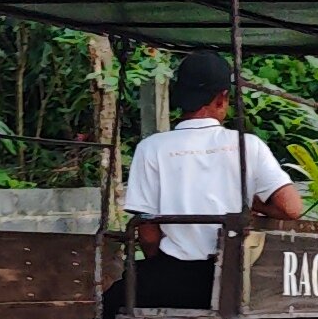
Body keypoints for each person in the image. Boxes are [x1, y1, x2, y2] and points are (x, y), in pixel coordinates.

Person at [119, 49, 302, 305]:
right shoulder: (247, 145)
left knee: (110, 309)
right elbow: (291, 208)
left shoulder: (151, 148)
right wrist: (254, 205)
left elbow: (148, 235)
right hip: (234, 279)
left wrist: (160, 267)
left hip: (173, 275)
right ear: (222, 98)